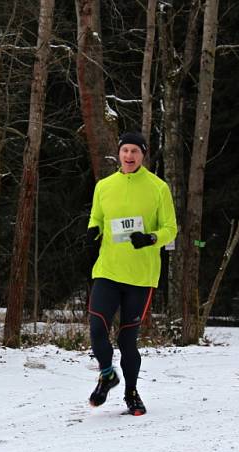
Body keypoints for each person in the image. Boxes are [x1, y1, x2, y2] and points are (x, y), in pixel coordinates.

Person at [85, 131, 177, 415]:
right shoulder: (104, 186)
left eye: (135, 151)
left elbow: (170, 229)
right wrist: (92, 230)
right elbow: (97, 217)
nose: (129, 156)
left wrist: (150, 238)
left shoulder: (158, 188)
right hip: (108, 270)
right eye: (125, 150)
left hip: (140, 276)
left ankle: (131, 392)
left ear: (143, 155)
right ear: (119, 153)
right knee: (97, 328)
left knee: (127, 340)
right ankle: (107, 374)